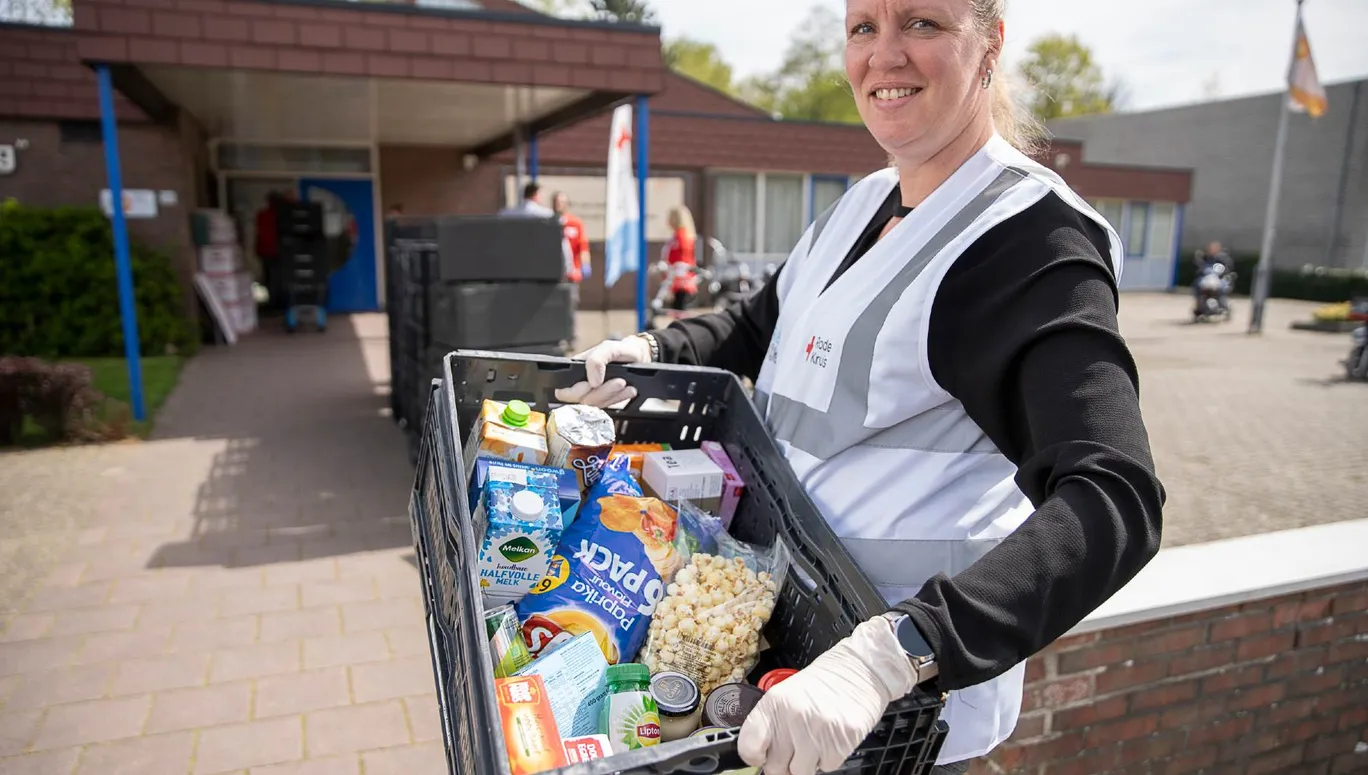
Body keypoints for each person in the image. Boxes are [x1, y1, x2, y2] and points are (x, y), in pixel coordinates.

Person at [556, 1, 1165, 772]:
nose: (884, 56)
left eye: (921, 24)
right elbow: (759, 322)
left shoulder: (1029, 242)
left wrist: (894, 652)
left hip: (893, 715)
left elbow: (1115, 499)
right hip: (772, 636)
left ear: (989, 44)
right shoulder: (863, 202)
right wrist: (648, 347)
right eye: (863, 28)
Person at [652, 206, 700, 315]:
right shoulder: (677, 236)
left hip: (681, 284)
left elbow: (682, 262)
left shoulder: (681, 237)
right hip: (675, 281)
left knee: (680, 316)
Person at [553, 191, 592, 308]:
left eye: (562, 202)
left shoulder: (575, 223)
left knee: (570, 303)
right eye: (557, 202)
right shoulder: (549, 222)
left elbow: (583, 247)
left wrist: (585, 265)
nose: (559, 205)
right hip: (554, 275)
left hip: (572, 273)